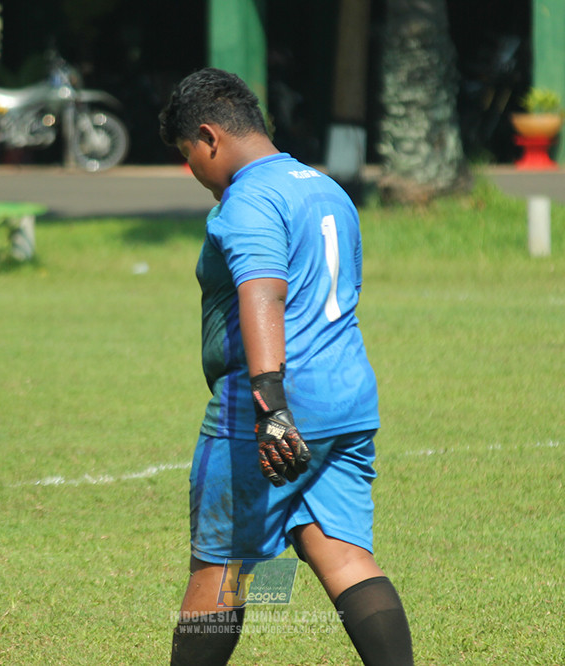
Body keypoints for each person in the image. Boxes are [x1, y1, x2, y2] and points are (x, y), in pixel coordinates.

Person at [159, 68, 413, 666]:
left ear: (209, 136)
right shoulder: (325, 187)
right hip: (347, 396)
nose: (191, 170)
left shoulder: (249, 198)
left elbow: (264, 293)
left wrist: (270, 404)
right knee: (343, 554)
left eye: (187, 154)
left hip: (274, 407)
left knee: (218, 569)